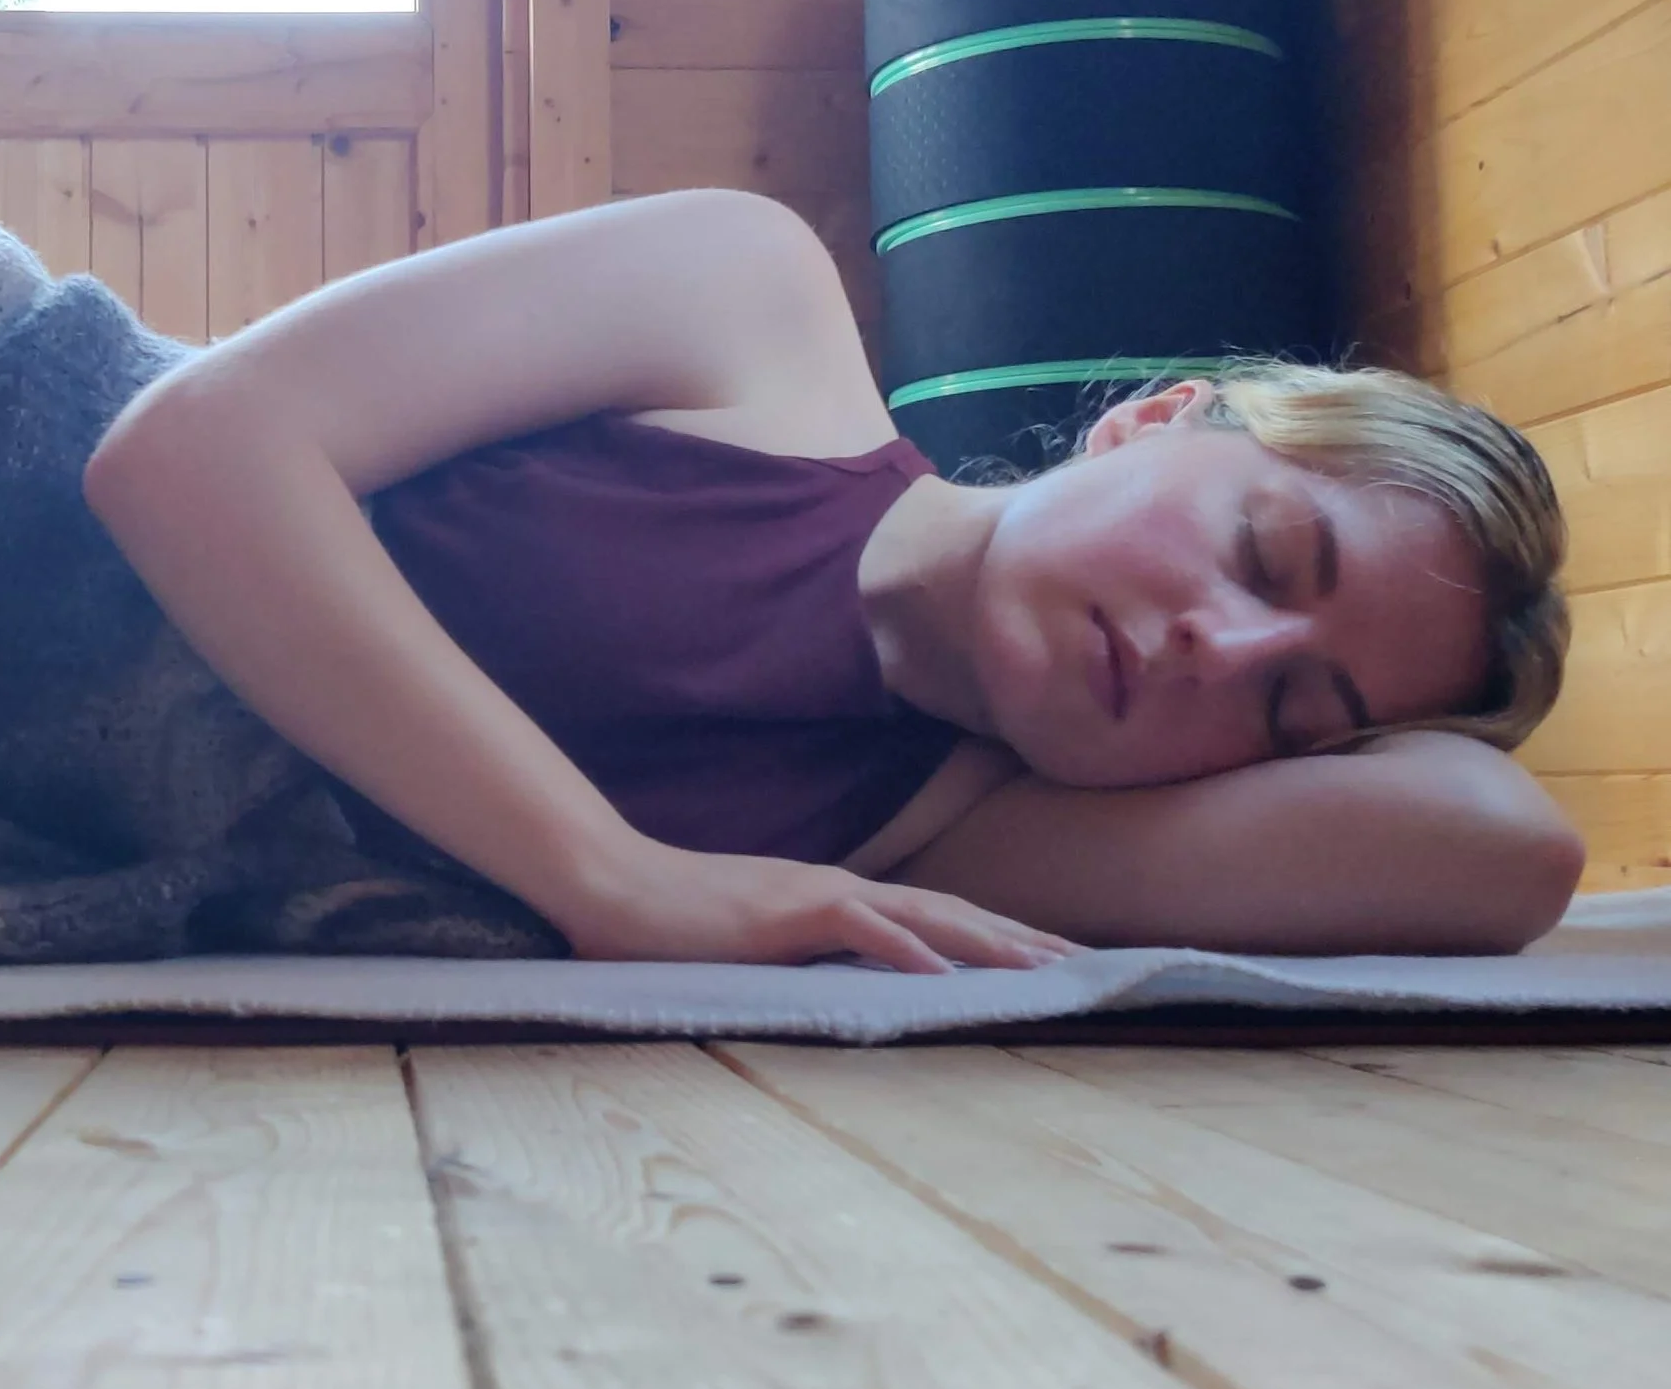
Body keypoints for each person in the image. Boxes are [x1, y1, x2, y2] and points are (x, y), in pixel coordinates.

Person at [85, 184, 1581, 973]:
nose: (1218, 649)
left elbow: (1503, 850)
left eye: (1290, 713)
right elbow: (187, 448)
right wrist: (613, 882)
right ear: (1155, 415)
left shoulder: (962, 850)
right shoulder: (750, 310)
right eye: (1262, 554)